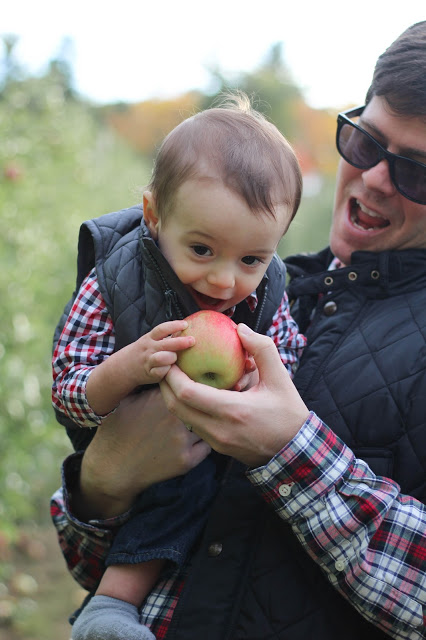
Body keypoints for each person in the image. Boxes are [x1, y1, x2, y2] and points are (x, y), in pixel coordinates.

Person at [50, 21, 426, 640]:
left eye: (416, 171)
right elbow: (86, 560)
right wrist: (103, 480)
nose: (377, 179)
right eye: (365, 142)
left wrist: (287, 447)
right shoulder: (280, 299)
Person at [51, 93, 306, 640]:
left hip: (219, 450)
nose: (224, 282)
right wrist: (128, 366)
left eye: (252, 260)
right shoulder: (116, 281)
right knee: (172, 489)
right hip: (135, 441)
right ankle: (109, 609)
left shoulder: (270, 294)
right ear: (154, 215)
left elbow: (288, 358)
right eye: (202, 249)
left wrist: (257, 377)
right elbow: (68, 390)